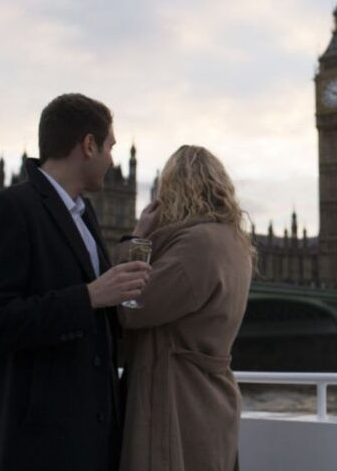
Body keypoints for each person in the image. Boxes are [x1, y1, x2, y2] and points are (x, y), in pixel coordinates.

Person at [0, 93, 150, 471]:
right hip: (37, 447)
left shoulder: (84, 214)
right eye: (110, 147)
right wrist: (88, 297)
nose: (112, 160)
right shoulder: (8, 209)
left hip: (91, 442)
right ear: (88, 145)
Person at [116, 145, 253, 471]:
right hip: (211, 399)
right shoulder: (235, 242)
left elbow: (130, 305)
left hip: (180, 403)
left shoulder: (197, 245)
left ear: (175, 189)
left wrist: (136, 239)